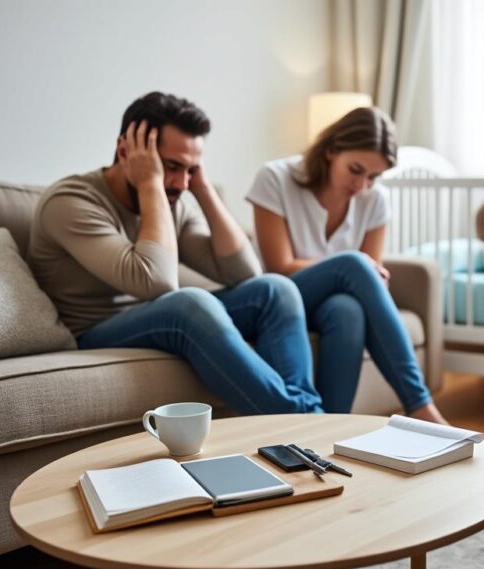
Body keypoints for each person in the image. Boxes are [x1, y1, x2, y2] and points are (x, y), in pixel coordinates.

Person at [30, 91, 323, 415]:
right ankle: (308, 421)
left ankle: (301, 421)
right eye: (172, 166)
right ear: (127, 150)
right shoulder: (70, 202)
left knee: (275, 289)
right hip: (94, 332)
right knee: (190, 302)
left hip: (157, 316)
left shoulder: (176, 199)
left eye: (191, 170)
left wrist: (203, 188)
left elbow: (244, 274)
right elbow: (157, 284)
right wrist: (151, 185)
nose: (181, 182)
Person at [246, 106, 447, 424]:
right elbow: (279, 268)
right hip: (283, 299)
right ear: (331, 150)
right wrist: (357, 269)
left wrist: (370, 277)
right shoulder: (274, 178)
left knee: (347, 310)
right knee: (353, 264)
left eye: (374, 176)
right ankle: (420, 405)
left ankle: (330, 426)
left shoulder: (375, 199)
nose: (363, 185)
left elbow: (370, 276)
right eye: (355, 170)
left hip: (333, 304)